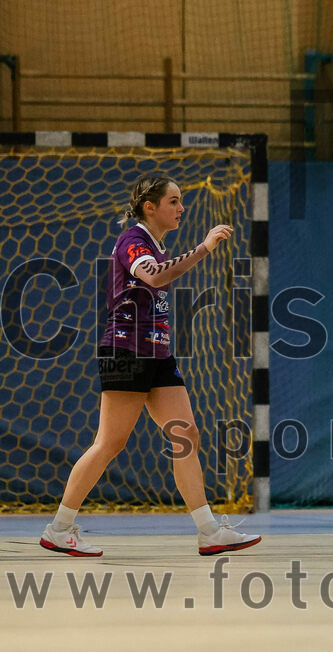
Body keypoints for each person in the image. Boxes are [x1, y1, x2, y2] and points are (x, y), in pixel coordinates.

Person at [40, 175, 261, 557]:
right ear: (150, 207)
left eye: (180, 201)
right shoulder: (134, 240)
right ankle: (59, 528)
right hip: (126, 350)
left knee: (185, 435)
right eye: (173, 201)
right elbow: (157, 275)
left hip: (158, 353)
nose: (181, 208)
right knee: (110, 442)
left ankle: (208, 530)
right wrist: (204, 247)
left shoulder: (156, 244)